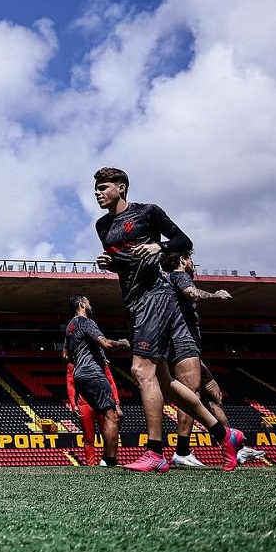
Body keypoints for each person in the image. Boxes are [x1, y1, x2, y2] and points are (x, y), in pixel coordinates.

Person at [93, 167, 245, 472]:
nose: (97, 193)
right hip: (133, 301)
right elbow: (127, 262)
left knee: (140, 370)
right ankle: (225, 435)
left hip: (157, 295)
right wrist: (112, 264)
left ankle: (155, 452)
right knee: (164, 381)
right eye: (95, 189)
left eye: (103, 187)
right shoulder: (102, 226)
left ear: (121, 188)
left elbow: (183, 240)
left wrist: (159, 245)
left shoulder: (148, 212)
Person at [162, 252, 267, 468]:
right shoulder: (179, 275)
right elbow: (191, 293)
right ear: (182, 259)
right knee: (191, 395)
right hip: (182, 344)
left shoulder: (169, 279)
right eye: (190, 258)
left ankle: (237, 448)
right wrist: (215, 295)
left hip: (189, 346)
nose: (192, 263)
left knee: (214, 394)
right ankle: (181, 452)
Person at [63, 295, 130, 467]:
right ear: (82, 304)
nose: (91, 306)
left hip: (80, 375)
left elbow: (65, 354)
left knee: (109, 417)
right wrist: (123, 343)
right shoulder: (86, 323)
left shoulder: (70, 327)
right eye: (89, 303)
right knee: (112, 416)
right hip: (93, 373)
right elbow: (106, 344)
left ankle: (105, 459)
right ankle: (110, 460)